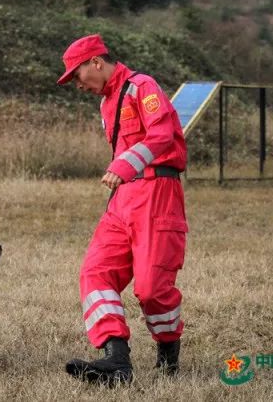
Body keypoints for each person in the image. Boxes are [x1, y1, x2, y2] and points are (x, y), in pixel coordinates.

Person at [56, 34, 188, 386]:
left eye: (77, 75)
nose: (77, 85)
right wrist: (122, 177)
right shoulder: (105, 104)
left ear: (96, 62)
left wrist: (125, 165)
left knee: (151, 288)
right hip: (123, 199)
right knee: (95, 273)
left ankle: (168, 350)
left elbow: (161, 136)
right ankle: (116, 359)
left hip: (157, 193)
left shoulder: (141, 86)